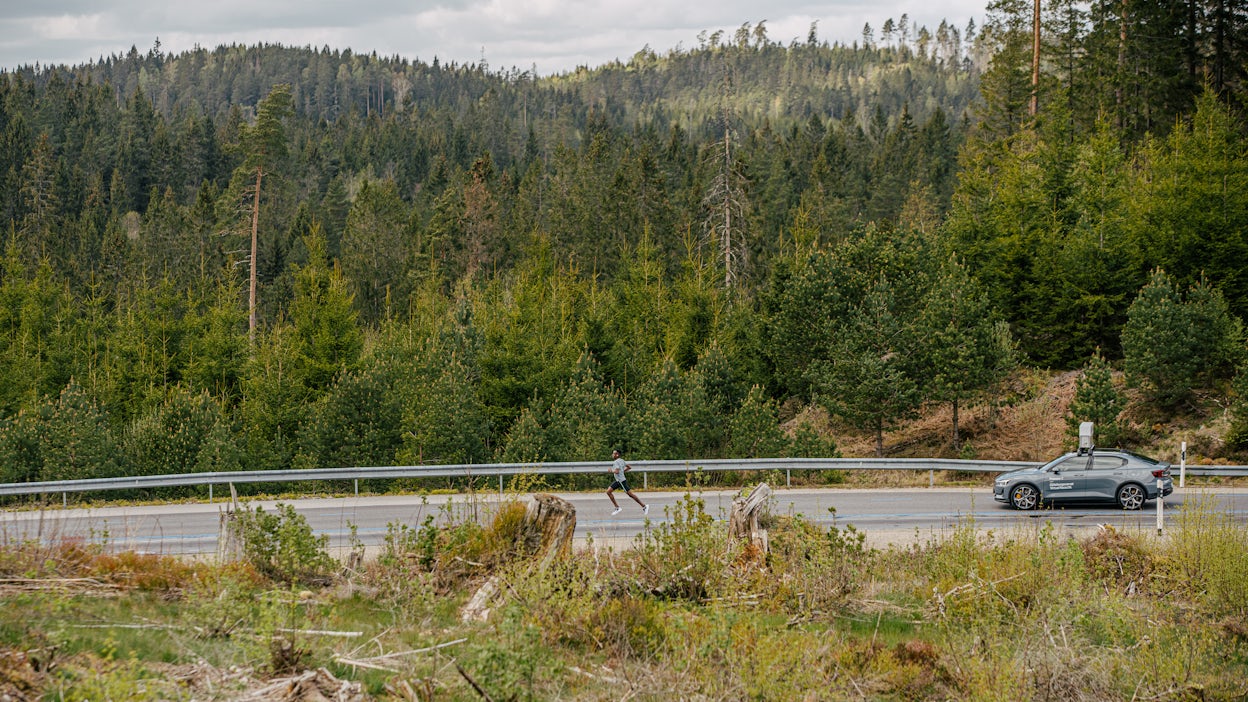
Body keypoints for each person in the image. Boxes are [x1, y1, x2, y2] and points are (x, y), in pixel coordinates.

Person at [607, 448, 648, 516]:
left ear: (617, 455)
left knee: (630, 494)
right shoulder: (622, 460)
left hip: (621, 481)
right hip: (618, 481)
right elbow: (629, 467)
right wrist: (622, 471)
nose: (612, 455)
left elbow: (617, 471)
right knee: (608, 492)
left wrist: (611, 470)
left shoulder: (616, 462)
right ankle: (617, 507)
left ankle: (644, 506)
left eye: (613, 453)